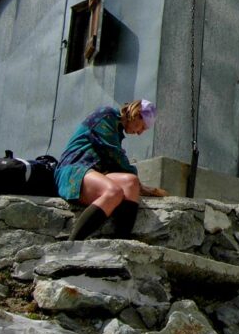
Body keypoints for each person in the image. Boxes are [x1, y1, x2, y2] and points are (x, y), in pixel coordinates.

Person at [55, 99, 160, 241]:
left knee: (131, 182)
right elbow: (114, 154)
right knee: (113, 191)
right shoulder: (106, 116)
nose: (140, 133)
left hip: (91, 174)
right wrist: (145, 188)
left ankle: (121, 243)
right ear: (137, 114)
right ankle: (71, 245)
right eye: (142, 127)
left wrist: (140, 185)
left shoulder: (117, 130)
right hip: (74, 170)